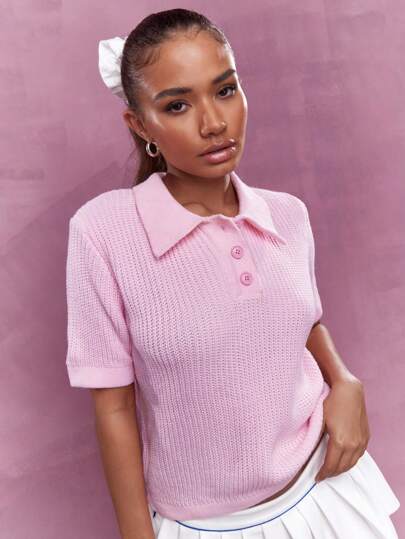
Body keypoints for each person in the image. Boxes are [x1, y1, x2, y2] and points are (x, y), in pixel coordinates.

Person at [65, 8, 400, 539]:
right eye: (177, 105)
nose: (213, 123)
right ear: (140, 124)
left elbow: (302, 322)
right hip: (206, 525)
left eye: (224, 90)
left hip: (326, 491)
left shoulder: (287, 214)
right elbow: (113, 405)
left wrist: (345, 381)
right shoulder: (103, 233)